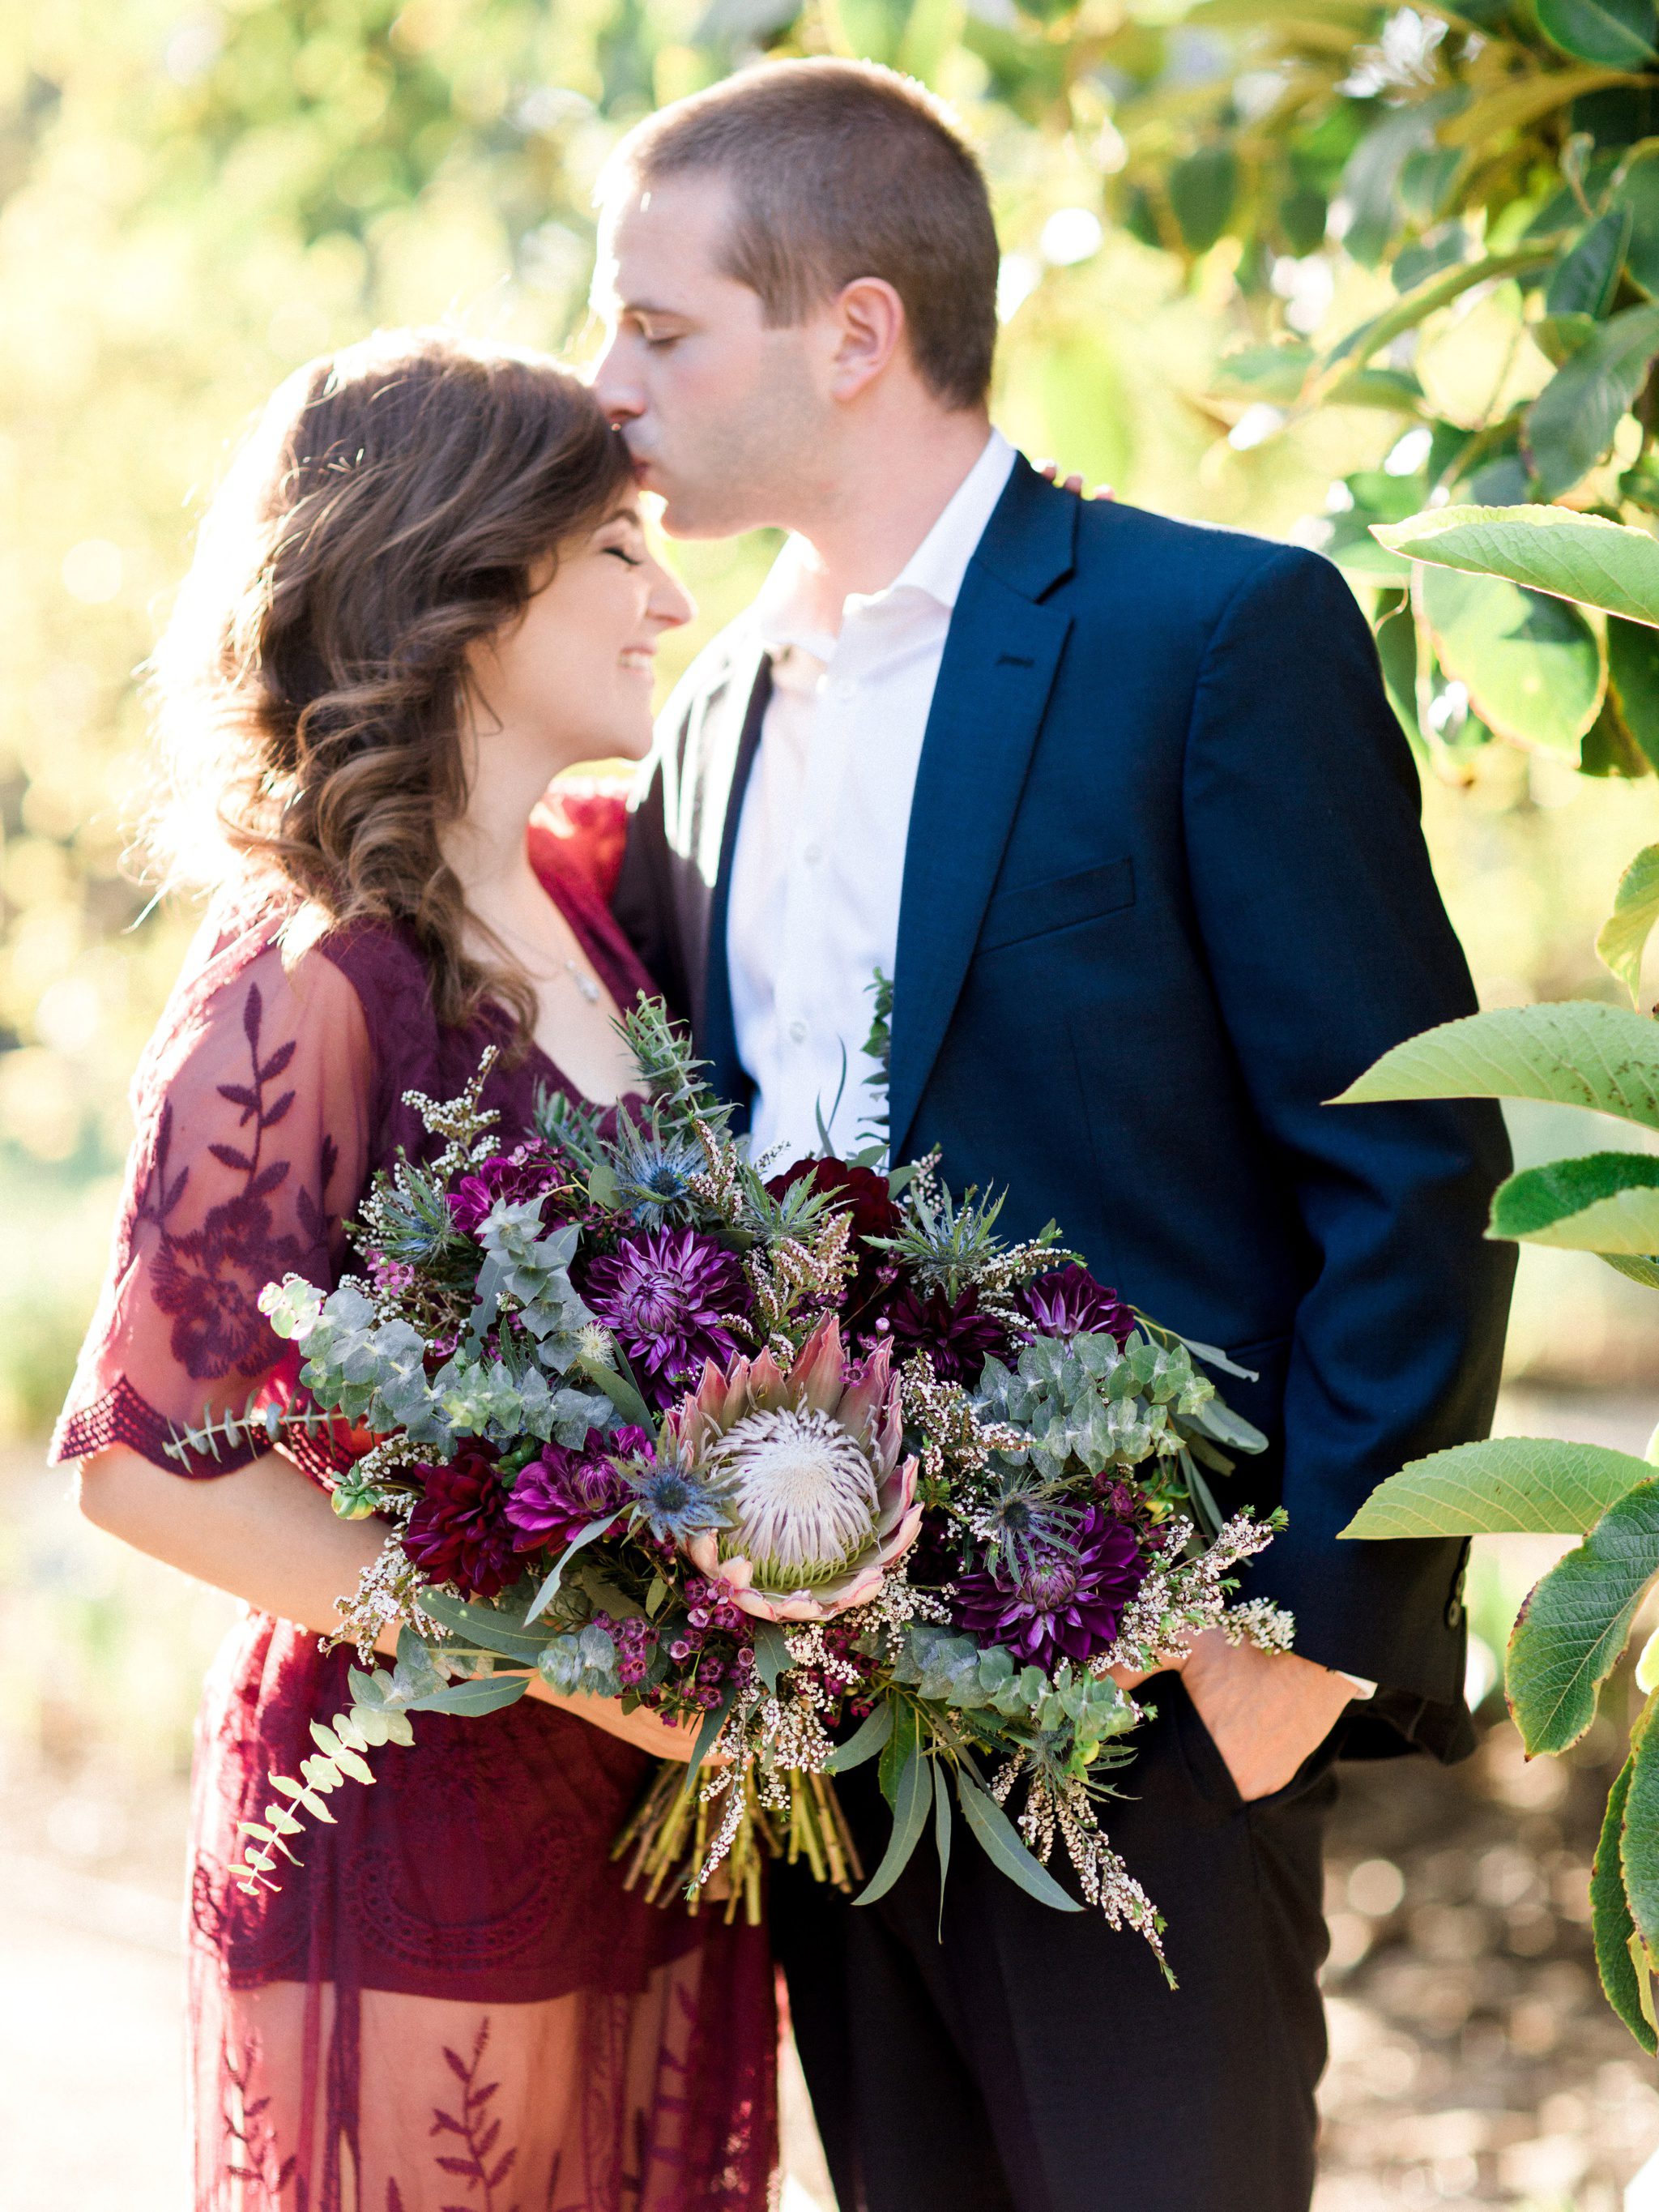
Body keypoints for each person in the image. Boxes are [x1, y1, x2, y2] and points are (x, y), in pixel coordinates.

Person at [595, 58, 1516, 2212]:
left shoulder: (1211, 637)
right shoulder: (707, 725)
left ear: (851, 333)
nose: (609, 382)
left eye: (661, 326)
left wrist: (1297, 1646)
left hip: (1151, 1707)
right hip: (823, 1729)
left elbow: (1415, 1151)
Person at [52, 331, 776, 2212]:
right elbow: (143, 1460)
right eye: (620, 547)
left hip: (653, 1820)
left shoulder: (585, 902)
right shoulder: (311, 978)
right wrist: (569, 1653)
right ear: (472, 579)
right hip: (415, 1811)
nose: (672, 594)